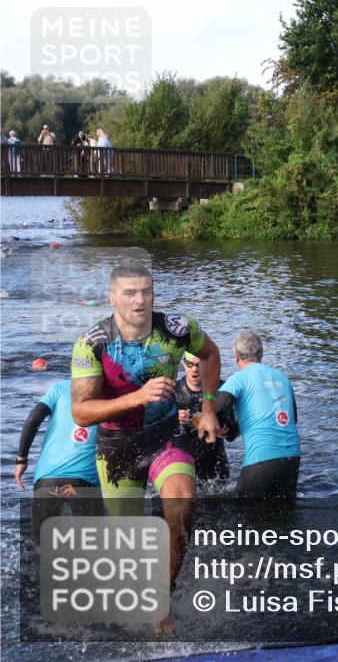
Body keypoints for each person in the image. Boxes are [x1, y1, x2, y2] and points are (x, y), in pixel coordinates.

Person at [71, 262, 222, 635]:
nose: (140, 300)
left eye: (147, 291)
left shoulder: (177, 328)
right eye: (130, 293)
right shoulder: (94, 342)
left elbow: (212, 355)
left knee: (183, 502)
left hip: (164, 438)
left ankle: (163, 597)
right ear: (112, 298)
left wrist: (207, 408)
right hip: (117, 449)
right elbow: (81, 412)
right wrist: (136, 397)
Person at [14, 379, 103, 542]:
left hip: (47, 478)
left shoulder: (61, 387)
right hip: (85, 480)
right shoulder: (112, 395)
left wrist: (21, 459)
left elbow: (33, 419)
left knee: (38, 545)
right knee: (92, 547)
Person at [216, 331, 301, 498]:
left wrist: (226, 431)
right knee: (285, 517)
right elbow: (293, 419)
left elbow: (215, 408)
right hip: (293, 457)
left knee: (243, 516)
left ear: (236, 356)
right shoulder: (282, 377)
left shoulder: (237, 379)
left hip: (261, 458)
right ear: (261, 354)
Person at [175, 351, 237, 481]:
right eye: (190, 364)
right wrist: (174, 419)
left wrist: (223, 429)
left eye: (198, 365)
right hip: (185, 465)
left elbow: (234, 433)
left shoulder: (222, 389)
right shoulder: (176, 392)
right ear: (184, 365)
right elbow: (159, 433)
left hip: (217, 464)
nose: (194, 369)